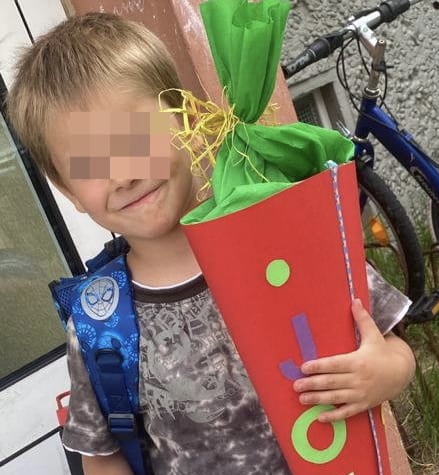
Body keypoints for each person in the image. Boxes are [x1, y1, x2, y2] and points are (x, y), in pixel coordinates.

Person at [6, 12, 416, 475]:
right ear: (69, 192)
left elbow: (394, 350)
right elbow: (102, 454)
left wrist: (381, 374)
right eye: (90, 163)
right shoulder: (99, 324)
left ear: (185, 119)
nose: (122, 175)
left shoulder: (280, 237)